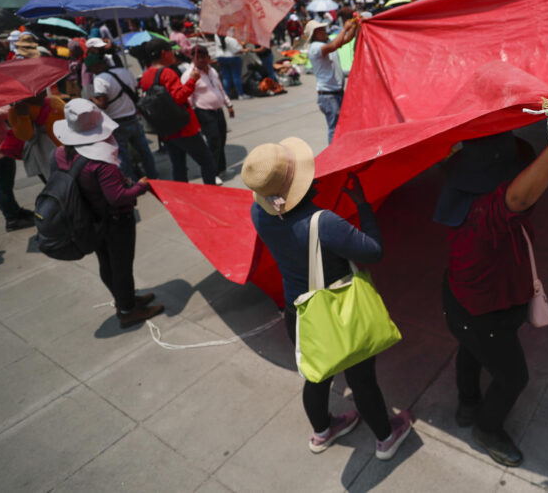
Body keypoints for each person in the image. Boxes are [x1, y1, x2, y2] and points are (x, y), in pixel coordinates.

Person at [245, 138, 412, 460]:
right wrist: (363, 205)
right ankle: (386, 438)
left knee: (317, 375)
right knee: (361, 379)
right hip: (338, 313)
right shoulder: (324, 223)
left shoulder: (259, 212)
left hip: (300, 314)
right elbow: (373, 252)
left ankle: (322, 432)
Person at [433, 114, 548, 468]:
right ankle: (487, 428)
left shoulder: (463, 191)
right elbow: (518, 197)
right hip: (482, 310)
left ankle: (468, 404)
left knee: (470, 351)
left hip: (468, 303)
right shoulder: (484, 211)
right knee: (514, 377)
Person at [52, 99, 162, 328]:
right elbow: (118, 196)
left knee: (106, 262)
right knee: (121, 265)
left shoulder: (61, 153)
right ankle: (128, 310)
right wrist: (142, 185)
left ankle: (125, 299)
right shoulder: (101, 163)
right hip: (114, 219)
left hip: (90, 217)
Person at [138, 37, 217, 185]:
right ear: (164, 53)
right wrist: (192, 79)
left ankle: (183, 198)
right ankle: (212, 193)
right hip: (183, 128)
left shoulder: (146, 75)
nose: (174, 54)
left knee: (178, 165)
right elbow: (179, 97)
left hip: (166, 129)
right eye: (171, 51)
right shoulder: (167, 73)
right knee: (207, 161)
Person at [87, 38, 159, 181]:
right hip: (133, 117)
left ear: (96, 66)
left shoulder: (100, 79)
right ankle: (153, 176)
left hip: (117, 121)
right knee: (144, 150)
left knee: (123, 155)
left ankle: (131, 182)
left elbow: (103, 104)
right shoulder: (125, 71)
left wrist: (91, 100)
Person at [0, 105, 36, 231]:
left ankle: (15, 211)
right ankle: (12, 218)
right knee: (3, 186)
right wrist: (10, 106)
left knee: (6, 183)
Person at [181, 45, 234, 182]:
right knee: (214, 141)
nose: (201, 60)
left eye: (203, 57)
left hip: (218, 111)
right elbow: (188, 98)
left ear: (208, 57)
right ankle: (213, 173)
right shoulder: (189, 75)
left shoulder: (212, 71)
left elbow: (220, 89)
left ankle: (222, 168)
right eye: (197, 57)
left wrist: (229, 105)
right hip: (203, 112)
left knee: (222, 139)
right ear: (192, 58)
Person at [305, 20, 353, 145]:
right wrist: (344, 29)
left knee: (340, 127)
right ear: (315, 34)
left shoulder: (324, 43)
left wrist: (355, 27)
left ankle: (338, 153)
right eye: (321, 29)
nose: (325, 31)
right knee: (334, 129)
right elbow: (333, 46)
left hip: (335, 93)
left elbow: (346, 39)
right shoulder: (315, 47)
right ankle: (334, 157)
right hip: (329, 95)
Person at [8, 91, 65, 183]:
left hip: (67, 150)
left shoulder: (54, 101)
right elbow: (25, 136)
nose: (44, 90)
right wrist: (24, 117)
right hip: (43, 155)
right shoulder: (15, 112)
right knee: (56, 185)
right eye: (38, 90)